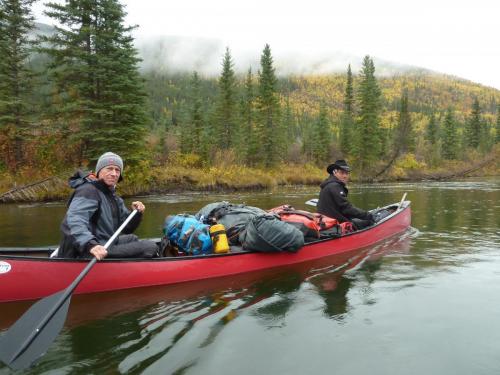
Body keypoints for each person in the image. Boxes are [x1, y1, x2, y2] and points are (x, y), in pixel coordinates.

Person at [58, 152, 158, 260]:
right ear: (99, 171)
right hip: (87, 250)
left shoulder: (112, 196)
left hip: (104, 243)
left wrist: (136, 214)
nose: (114, 173)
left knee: (132, 238)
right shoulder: (88, 190)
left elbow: (127, 228)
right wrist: (90, 244)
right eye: (109, 169)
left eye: (117, 170)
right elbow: (73, 221)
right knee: (150, 247)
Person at [317, 159, 374, 230]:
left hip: (326, 223)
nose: (345, 176)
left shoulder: (327, 185)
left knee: (358, 220)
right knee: (370, 221)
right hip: (337, 225)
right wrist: (367, 215)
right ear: (334, 172)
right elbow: (346, 208)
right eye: (342, 173)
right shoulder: (335, 186)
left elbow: (342, 208)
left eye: (347, 173)